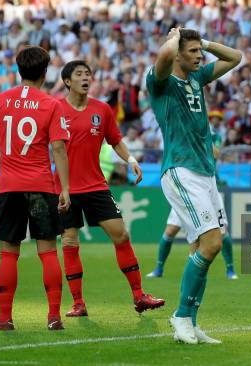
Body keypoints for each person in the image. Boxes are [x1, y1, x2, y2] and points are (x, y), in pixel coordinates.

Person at [146, 27, 241, 344]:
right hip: (181, 170)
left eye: (201, 52)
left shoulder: (197, 78)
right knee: (211, 244)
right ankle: (181, 316)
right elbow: (162, 57)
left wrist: (205, 43)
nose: (201, 56)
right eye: (194, 52)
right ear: (177, 53)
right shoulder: (160, 83)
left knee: (209, 247)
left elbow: (236, 57)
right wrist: (174, 39)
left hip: (206, 173)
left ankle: (192, 321)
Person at [56, 60, 165, 318]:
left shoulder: (102, 109)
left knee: (122, 236)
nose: (85, 78)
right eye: (79, 74)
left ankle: (139, 296)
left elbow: (115, 140)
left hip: (95, 186)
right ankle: (78, 303)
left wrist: (132, 161)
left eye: (88, 74)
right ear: (67, 81)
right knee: (70, 242)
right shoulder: (55, 109)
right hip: (64, 188)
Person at [0, 46, 71, 331]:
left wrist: (3, 168)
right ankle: (54, 316)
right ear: (45, 73)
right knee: (48, 252)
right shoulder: (51, 104)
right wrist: (64, 188)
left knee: (9, 253)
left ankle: (5, 318)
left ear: (19, 70)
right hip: (41, 185)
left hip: (10, 186)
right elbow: (58, 147)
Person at [147, 126, 237, 280]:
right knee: (170, 231)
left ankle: (230, 270)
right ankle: (159, 269)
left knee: (222, 231)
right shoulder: (183, 132)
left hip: (207, 187)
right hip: (186, 188)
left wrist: (200, 135)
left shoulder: (213, 135)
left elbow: (216, 154)